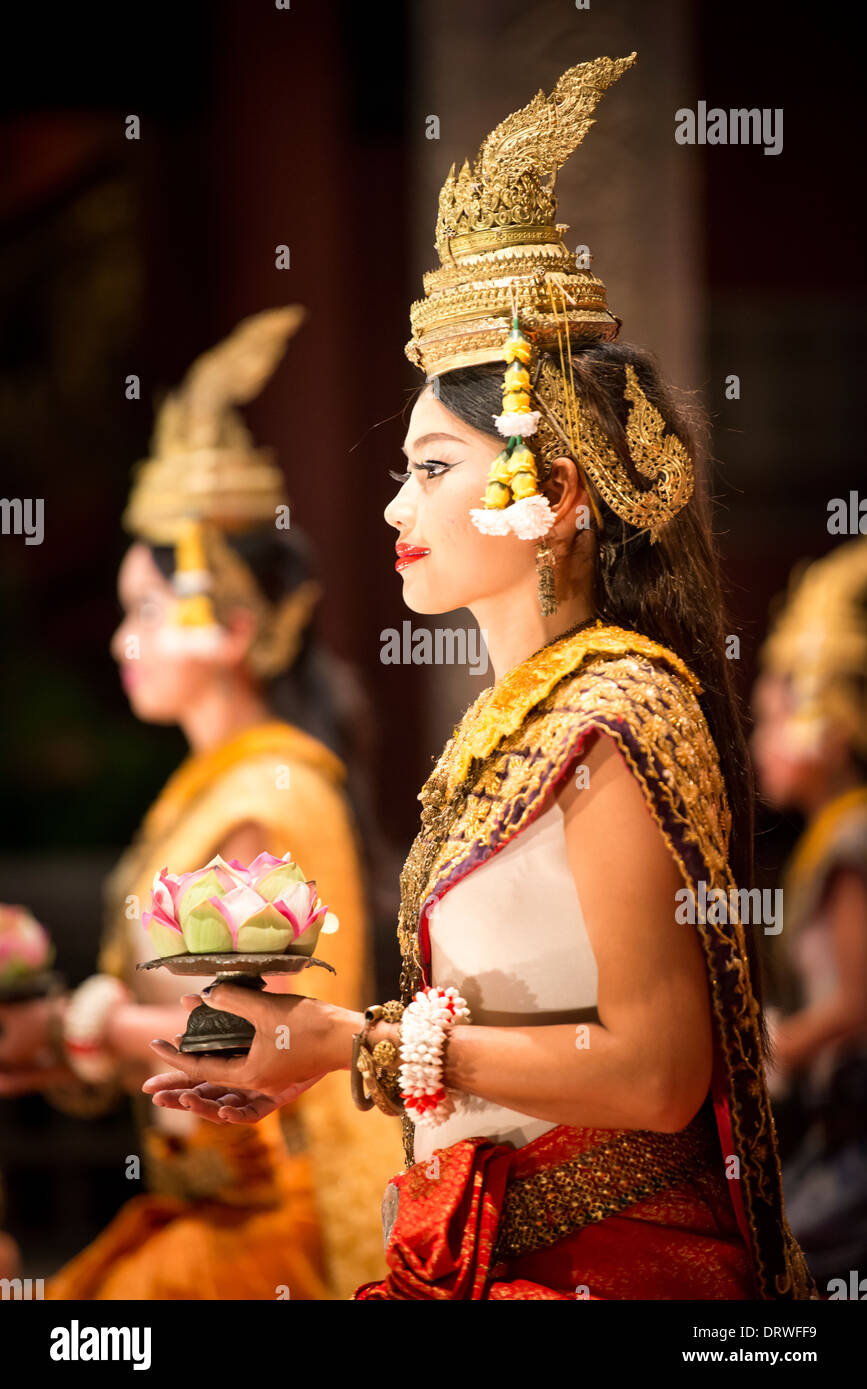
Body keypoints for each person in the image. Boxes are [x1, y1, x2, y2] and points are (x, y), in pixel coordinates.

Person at [143, 56, 816, 1300]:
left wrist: (353, 1041)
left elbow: (661, 1071)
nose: (398, 502)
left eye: (438, 466)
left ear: (554, 493)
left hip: (603, 1271)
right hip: (481, 1249)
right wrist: (274, 1051)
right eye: (405, 468)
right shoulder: (517, 726)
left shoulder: (618, 712)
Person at [0, 307, 402, 1299]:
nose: (120, 641)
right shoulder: (212, 788)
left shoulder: (266, 794)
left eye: (144, 611)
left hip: (267, 1218)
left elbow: (239, 1034)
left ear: (226, 627)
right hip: (205, 1203)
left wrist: (68, 1028)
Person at [752, 537, 867, 1290]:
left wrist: (772, 1051)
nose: (759, 744)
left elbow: (858, 1001)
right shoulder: (834, 834)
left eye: (768, 720)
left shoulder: (852, 840)